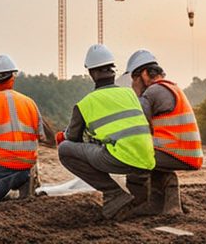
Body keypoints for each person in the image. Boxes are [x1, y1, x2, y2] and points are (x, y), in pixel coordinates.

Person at [56, 44, 155, 220]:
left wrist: (62, 136)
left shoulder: (85, 103)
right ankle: (140, 192)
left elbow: (72, 138)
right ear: (113, 71)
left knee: (64, 149)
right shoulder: (130, 94)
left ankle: (113, 193)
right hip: (146, 158)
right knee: (117, 147)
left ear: (91, 73)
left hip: (119, 158)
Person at [124, 49, 203, 215]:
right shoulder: (172, 87)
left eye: (134, 79)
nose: (133, 84)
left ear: (144, 75)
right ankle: (162, 204)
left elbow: (136, 125)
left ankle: (144, 203)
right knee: (150, 159)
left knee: (133, 158)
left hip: (176, 152)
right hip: (187, 152)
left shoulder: (153, 92)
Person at [0, 54, 43, 204]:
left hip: (2, 162)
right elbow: (41, 136)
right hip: (27, 162)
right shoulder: (30, 102)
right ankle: (25, 176)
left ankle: (19, 178)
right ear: (13, 77)